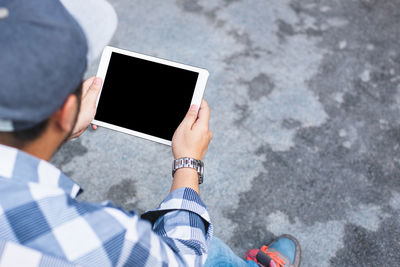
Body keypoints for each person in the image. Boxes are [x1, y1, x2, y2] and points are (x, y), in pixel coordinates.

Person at [0, 0, 300, 266]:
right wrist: (188, 162)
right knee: (208, 252)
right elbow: (185, 258)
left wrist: (59, 132)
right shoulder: (107, 237)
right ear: (67, 112)